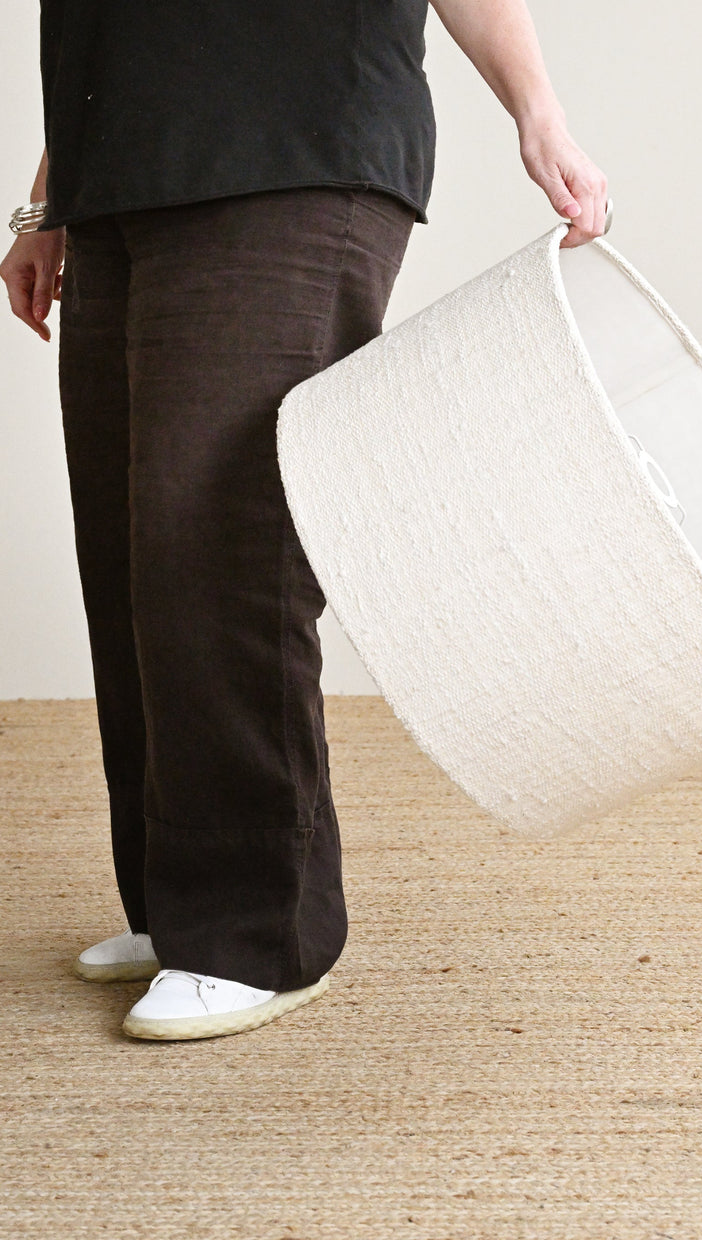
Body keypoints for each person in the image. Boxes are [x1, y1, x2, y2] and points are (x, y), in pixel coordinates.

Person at [2, 0, 610, 1042]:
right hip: (124, 173)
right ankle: (180, 899)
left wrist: (537, 109)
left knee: (218, 544)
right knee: (130, 549)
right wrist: (52, 198)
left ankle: (261, 934)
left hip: (291, 145)